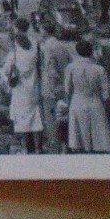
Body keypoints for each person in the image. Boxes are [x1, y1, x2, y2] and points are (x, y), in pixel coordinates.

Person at [64, 39, 110, 153]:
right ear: (91, 51)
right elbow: (106, 93)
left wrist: (67, 104)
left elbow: (67, 89)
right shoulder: (99, 69)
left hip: (77, 102)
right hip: (95, 103)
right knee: (99, 140)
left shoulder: (71, 67)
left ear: (77, 51)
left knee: (79, 140)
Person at [2, 20, 44, 154]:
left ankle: (25, 148)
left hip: (20, 89)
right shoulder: (34, 44)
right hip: (33, 87)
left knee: (22, 120)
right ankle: (38, 148)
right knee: (35, 118)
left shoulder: (14, 52)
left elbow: (7, 71)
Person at [39, 21, 74, 153]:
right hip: (63, 88)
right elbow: (70, 62)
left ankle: (54, 148)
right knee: (62, 117)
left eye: (41, 31)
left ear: (46, 32)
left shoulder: (48, 47)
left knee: (52, 119)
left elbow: (51, 71)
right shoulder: (62, 46)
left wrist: (52, 88)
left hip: (51, 92)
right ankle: (65, 147)